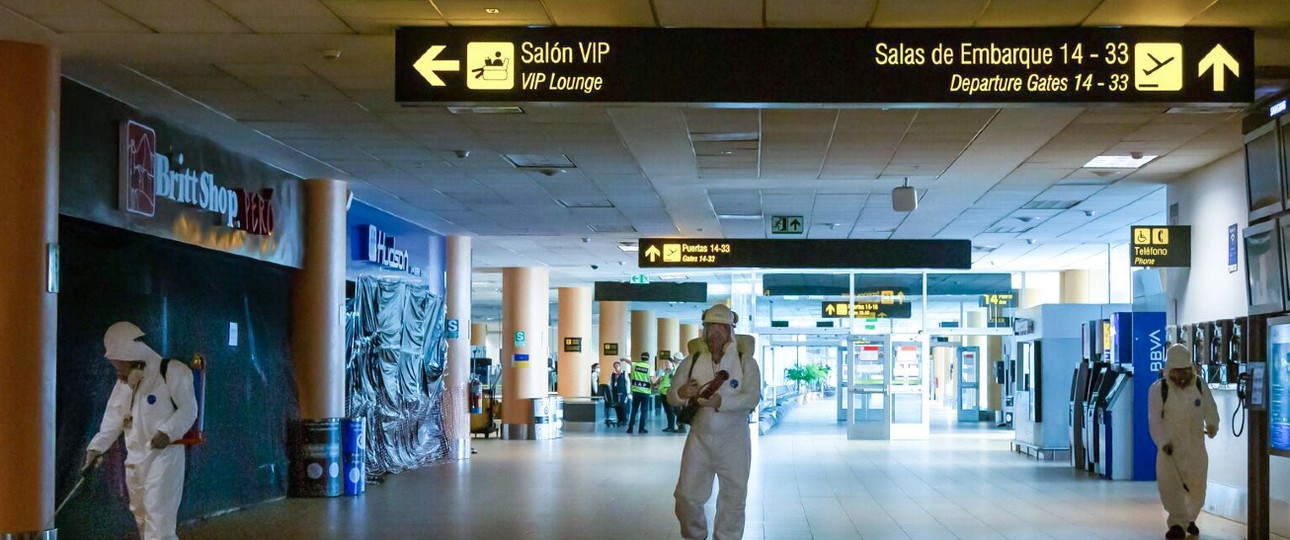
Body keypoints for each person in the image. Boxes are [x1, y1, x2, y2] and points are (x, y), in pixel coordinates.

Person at [86, 321, 198, 540]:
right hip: (135, 459)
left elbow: (189, 409)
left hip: (163, 457)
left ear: (133, 356)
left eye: (120, 364)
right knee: (142, 518)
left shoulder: (172, 371)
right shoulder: (124, 385)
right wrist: (96, 447)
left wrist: (167, 431)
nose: (117, 371)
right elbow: (113, 419)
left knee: (159, 523)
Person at [668, 304, 761, 540]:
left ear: (730, 331)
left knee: (733, 497)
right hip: (698, 440)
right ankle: (695, 535)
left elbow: (751, 399)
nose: (714, 333)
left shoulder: (745, 363)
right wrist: (681, 392)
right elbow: (671, 395)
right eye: (710, 328)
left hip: (734, 441)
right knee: (686, 497)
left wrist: (721, 402)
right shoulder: (692, 360)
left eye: (720, 328)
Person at [1149, 344, 1219, 539]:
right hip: (1169, 450)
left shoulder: (1199, 386)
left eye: (1184, 371)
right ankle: (1177, 524)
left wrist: (1213, 425)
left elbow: (1210, 409)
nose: (1180, 377)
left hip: (1195, 448)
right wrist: (1163, 442)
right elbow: (1155, 420)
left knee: (1197, 487)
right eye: (1176, 371)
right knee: (1171, 487)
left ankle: (1189, 519)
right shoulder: (1159, 390)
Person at [628, 352, 653, 434]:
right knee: (644, 411)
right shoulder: (649, 367)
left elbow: (629, 362)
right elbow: (652, 381)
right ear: (648, 358)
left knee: (634, 410)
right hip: (645, 393)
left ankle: (630, 428)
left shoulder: (635, 365)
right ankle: (641, 428)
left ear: (641, 358)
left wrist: (623, 359)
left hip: (636, 391)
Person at [656, 357, 678, 432]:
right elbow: (660, 381)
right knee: (668, 410)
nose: (666, 364)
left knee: (672, 410)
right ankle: (670, 426)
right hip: (663, 393)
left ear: (672, 363)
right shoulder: (664, 372)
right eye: (665, 363)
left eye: (667, 363)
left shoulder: (674, 371)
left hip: (669, 392)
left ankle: (676, 426)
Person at [610, 359, 630, 426]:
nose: (616, 367)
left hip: (623, 392)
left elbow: (628, 382)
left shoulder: (624, 373)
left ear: (620, 366)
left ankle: (624, 419)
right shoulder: (613, 374)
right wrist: (610, 390)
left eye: (617, 365)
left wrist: (628, 392)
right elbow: (610, 383)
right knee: (617, 406)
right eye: (615, 366)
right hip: (615, 392)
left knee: (622, 406)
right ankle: (619, 419)